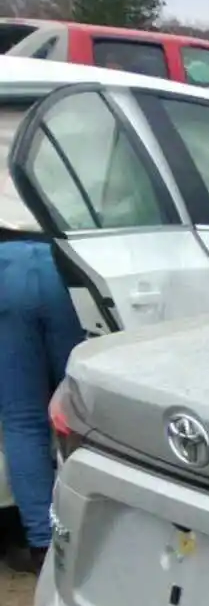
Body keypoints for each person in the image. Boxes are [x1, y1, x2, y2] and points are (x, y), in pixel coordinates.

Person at [0, 240, 86, 575]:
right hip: (62, 266)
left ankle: (44, 545)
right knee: (77, 404)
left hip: (5, 274)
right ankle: (88, 528)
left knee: (22, 419)